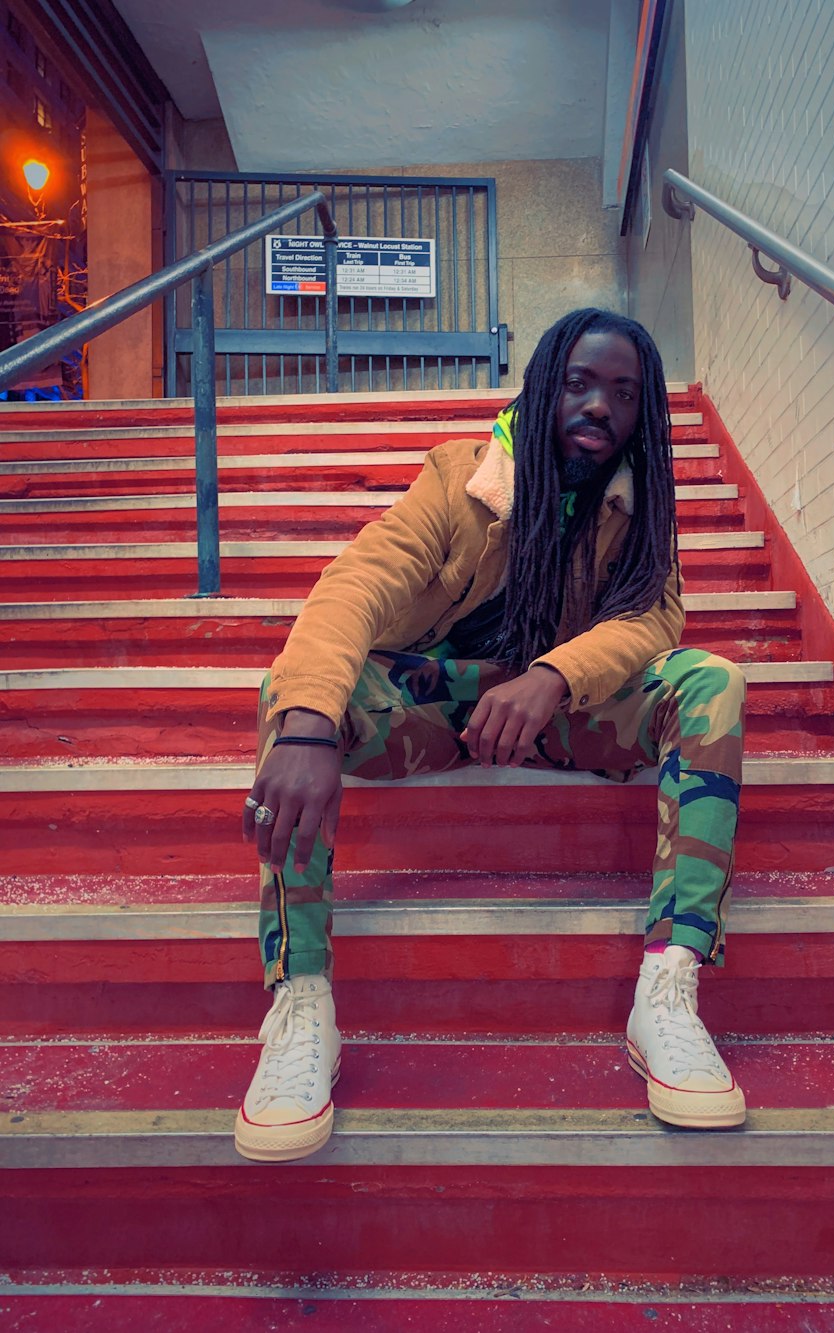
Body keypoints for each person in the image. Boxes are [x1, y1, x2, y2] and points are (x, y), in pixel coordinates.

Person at [235, 308, 747, 1163]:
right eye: (581, 382)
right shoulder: (466, 480)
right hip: (435, 709)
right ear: (546, 383)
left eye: (623, 392)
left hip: (552, 714)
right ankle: (301, 997)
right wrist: (311, 725)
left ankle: (669, 984)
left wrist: (551, 678)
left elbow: (657, 617)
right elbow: (356, 584)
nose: (599, 406)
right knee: (293, 693)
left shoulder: (640, 500)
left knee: (712, 683)